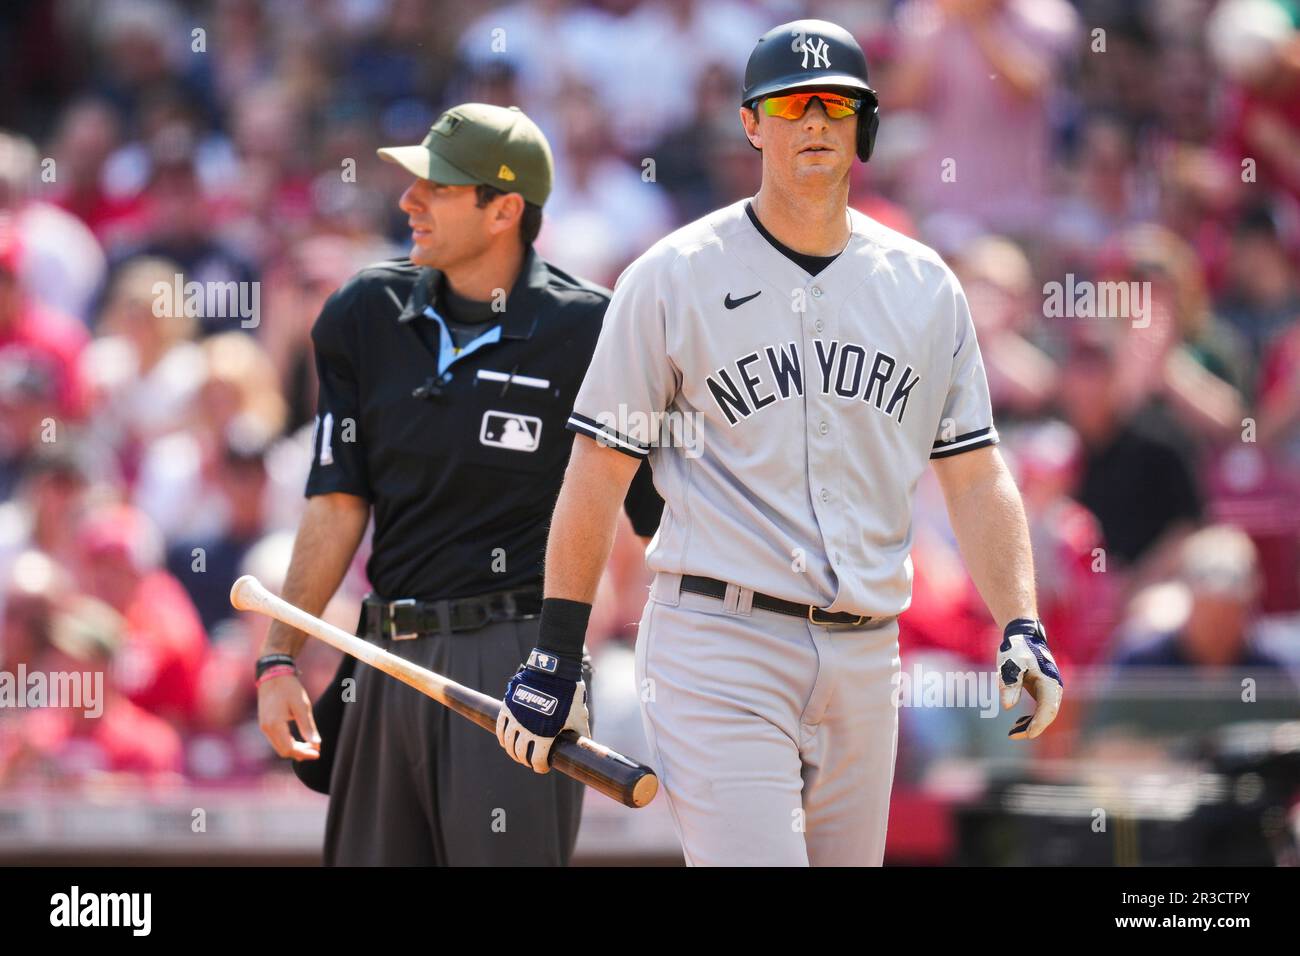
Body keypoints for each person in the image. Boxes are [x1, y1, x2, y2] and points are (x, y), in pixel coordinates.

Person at [494, 19, 1064, 867]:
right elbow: (597, 471)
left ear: (863, 126)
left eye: (837, 104)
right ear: (752, 124)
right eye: (792, 104)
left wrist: (1021, 621)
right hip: (718, 640)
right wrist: (557, 648)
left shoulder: (924, 287)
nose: (815, 121)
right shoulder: (670, 275)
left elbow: (976, 475)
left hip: (869, 652)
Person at [254, 103, 661, 866]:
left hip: (519, 659)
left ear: (504, 208)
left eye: (436, 186)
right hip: (381, 655)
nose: (408, 200)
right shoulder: (361, 314)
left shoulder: (593, 330)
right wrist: (280, 656)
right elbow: (336, 501)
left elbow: (657, 525)